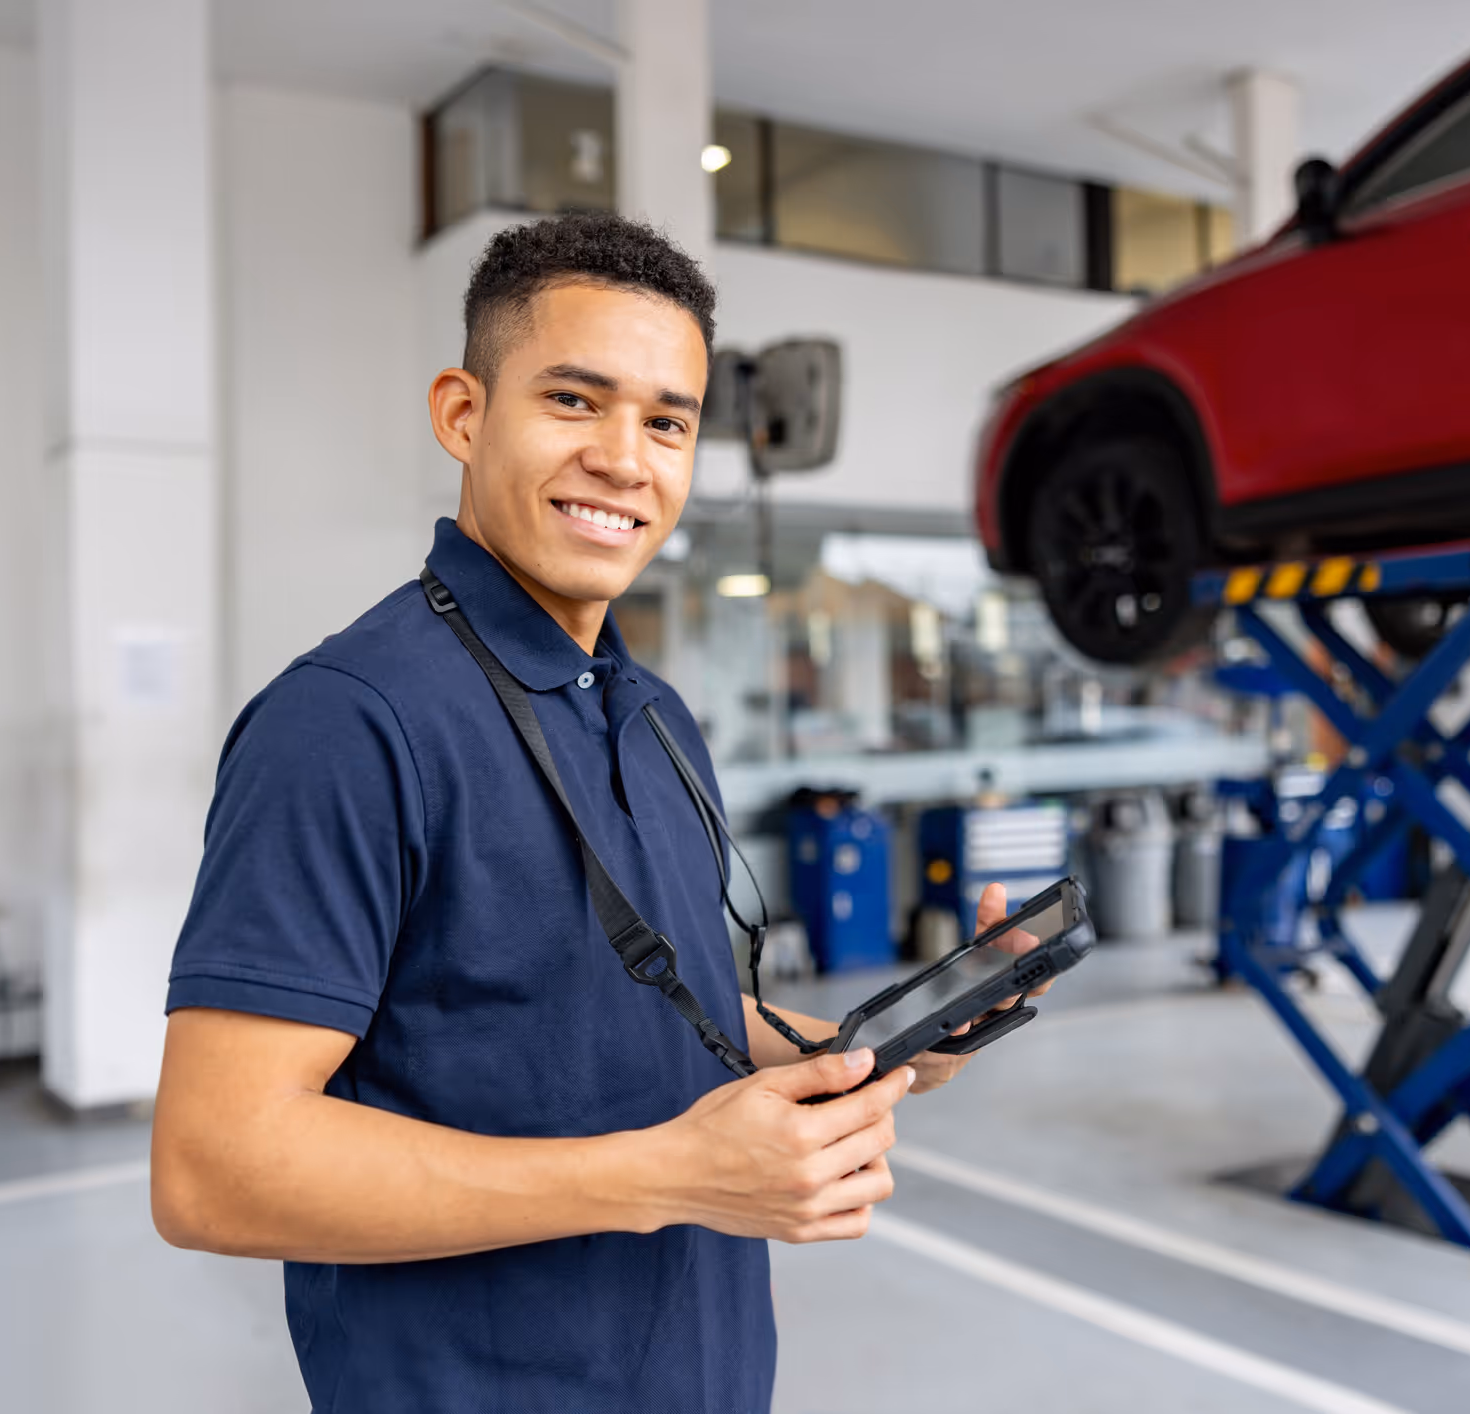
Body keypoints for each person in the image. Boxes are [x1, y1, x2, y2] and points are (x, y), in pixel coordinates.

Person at [150, 211, 1036, 1413]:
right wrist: (669, 1174)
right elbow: (215, 1168)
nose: (628, 458)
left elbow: (658, 1010)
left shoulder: (650, 712)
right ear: (463, 414)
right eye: (574, 400)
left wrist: (877, 1045)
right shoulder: (349, 722)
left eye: (667, 420)